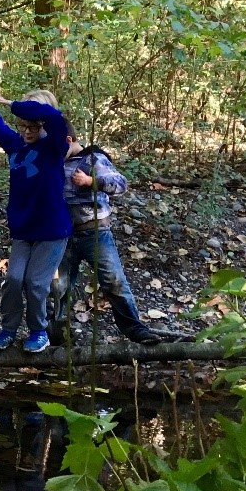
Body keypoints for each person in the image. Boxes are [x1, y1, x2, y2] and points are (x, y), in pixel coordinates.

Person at [0, 88, 72, 354]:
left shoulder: (56, 144)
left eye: (33, 124)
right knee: (13, 279)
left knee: (36, 283)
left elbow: (53, 117)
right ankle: (8, 329)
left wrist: (15, 104)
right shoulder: (16, 145)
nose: (27, 130)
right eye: (23, 125)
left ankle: (38, 331)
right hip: (24, 228)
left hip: (52, 229)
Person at [55, 139, 162, 345]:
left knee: (113, 280)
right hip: (64, 236)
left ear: (68, 140)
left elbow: (120, 183)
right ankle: (57, 333)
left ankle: (135, 328)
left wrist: (91, 181)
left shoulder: (94, 158)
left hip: (95, 232)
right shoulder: (56, 162)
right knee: (58, 285)